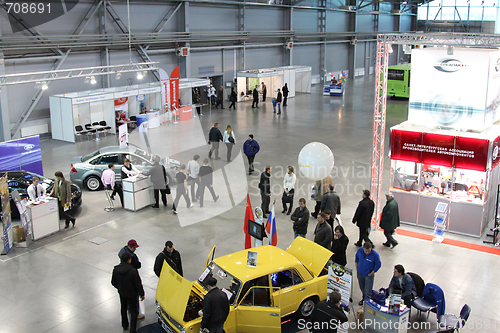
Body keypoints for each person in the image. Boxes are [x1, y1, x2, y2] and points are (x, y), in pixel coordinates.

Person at [111, 252, 145, 333]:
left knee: (123, 308)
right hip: (132, 294)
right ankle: (132, 330)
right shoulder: (133, 271)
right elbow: (138, 283)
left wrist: (119, 288)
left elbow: (113, 282)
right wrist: (141, 294)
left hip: (122, 293)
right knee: (134, 311)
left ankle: (125, 325)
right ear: (129, 260)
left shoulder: (116, 269)